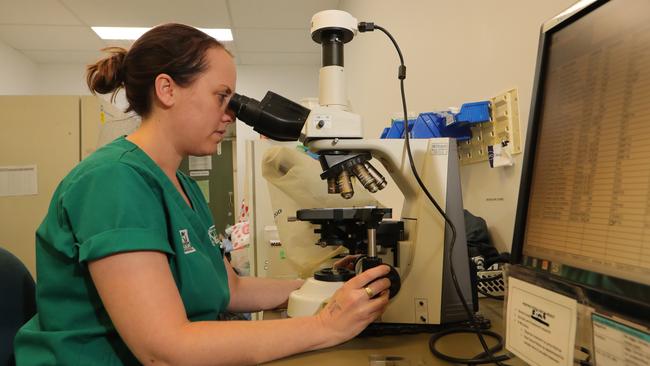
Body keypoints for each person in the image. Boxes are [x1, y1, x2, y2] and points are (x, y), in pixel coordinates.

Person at [13, 23, 391, 365]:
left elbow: (231, 288)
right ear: (167, 90)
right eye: (221, 96)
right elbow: (164, 350)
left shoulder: (183, 185)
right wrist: (327, 325)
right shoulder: (113, 181)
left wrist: (323, 288)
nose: (231, 114)